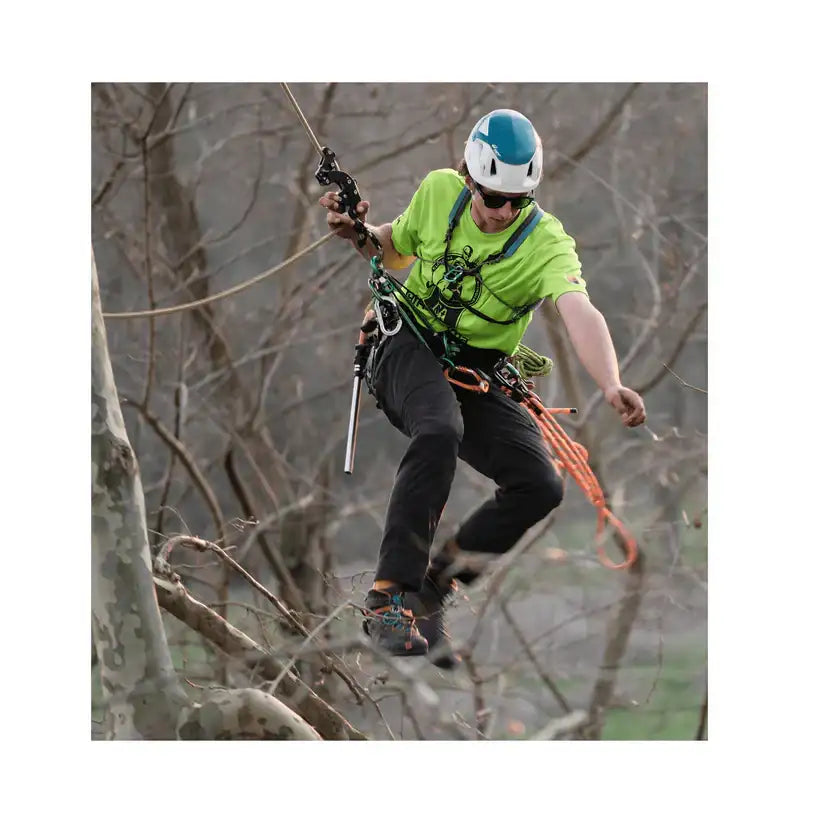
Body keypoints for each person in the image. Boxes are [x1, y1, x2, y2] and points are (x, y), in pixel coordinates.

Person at [318, 109, 646, 668]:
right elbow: (392, 249)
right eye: (491, 197)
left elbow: (579, 311)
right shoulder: (440, 193)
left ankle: (429, 592)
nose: (500, 211)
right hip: (404, 343)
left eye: (514, 201)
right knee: (439, 428)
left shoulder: (545, 242)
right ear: (470, 179)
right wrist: (358, 232)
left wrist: (610, 382)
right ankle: (388, 596)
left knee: (539, 484)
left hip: (476, 369)